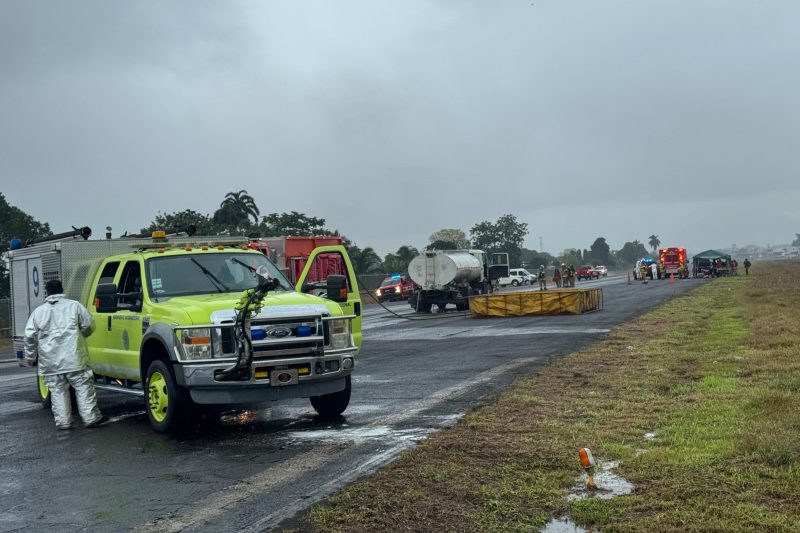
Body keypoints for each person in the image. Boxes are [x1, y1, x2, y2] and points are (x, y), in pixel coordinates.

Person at [24, 279, 105, 430]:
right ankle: (90, 418)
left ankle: (64, 422)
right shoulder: (74, 306)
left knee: (57, 390)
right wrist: (83, 334)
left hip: (50, 361)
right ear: (62, 290)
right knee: (83, 386)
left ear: (46, 292)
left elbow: (29, 336)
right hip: (74, 357)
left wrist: (30, 356)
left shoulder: (38, 312)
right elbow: (89, 324)